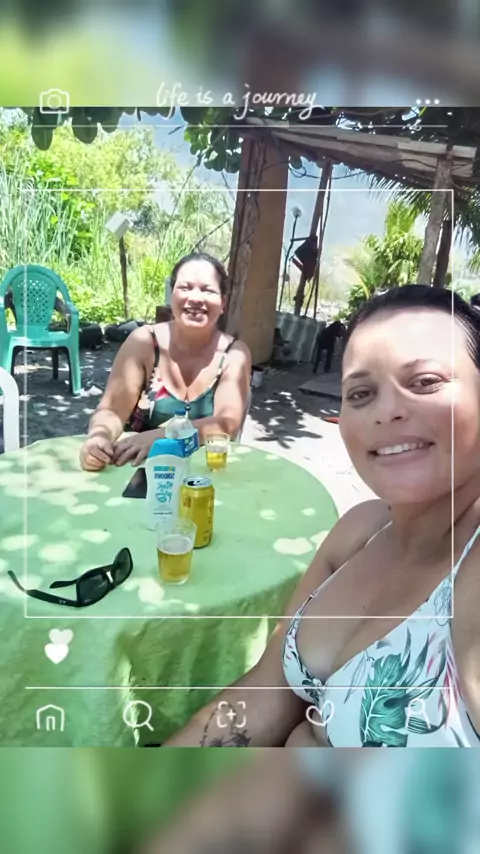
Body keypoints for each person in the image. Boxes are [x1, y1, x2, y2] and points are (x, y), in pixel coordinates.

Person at [163, 284, 480, 748]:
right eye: (361, 393)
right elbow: (265, 694)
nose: (387, 411)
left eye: (425, 382)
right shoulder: (359, 531)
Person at [79, 252, 251, 471]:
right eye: (185, 288)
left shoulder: (234, 354)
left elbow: (227, 423)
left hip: (204, 474)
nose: (195, 298)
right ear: (171, 295)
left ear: (223, 302)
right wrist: (98, 438)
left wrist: (164, 437)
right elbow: (112, 410)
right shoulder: (144, 342)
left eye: (208, 290)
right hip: (136, 470)